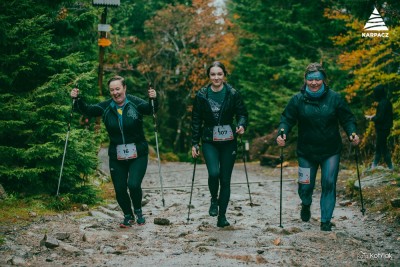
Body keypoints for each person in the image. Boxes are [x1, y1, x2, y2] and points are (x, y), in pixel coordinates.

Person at [276, 62, 360, 231]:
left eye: (318, 79)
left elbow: (348, 119)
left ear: (324, 80)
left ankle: (325, 220)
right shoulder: (297, 100)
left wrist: (352, 132)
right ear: (305, 80)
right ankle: (306, 203)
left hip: (330, 150)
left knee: (329, 183)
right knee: (305, 186)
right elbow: (287, 119)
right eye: (310, 79)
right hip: (306, 152)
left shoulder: (335, 98)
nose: (314, 83)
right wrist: (282, 132)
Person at [70, 75, 157, 228]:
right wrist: (77, 99)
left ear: (124, 88)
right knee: (119, 188)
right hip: (117, 155)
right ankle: (128, 216)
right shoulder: (106, 106)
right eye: (112, 90)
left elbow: (150, 109)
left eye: (118, 89)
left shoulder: (135, 103)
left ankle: (138, 212)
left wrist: (154, 98)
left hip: (138, 152)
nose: (115, 93)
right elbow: (89, 110)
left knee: (133, 184)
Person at [191, 61, 248, 228]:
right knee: (214, 173)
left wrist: (242, 125)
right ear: (209, 76)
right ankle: (213, 199)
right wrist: (195, 143)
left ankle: (222, 216)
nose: (216, 77)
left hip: (229, 140)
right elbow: (196, 120)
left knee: (225, 179)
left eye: (219, 74)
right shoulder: (201, 95)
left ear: (224, 75)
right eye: (213, 74)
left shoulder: (232, 93)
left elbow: (242, 113)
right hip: (209, 140)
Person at [365, 85, 394, 170]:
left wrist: (371, 118)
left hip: (382, 129)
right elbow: (384, 115)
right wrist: (374, 116)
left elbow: (380, 118)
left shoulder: (382, 103)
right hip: (385, 128)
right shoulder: (387, 102)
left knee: (383, 148)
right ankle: (374, 166)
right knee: (379, 147)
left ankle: (390, 167)